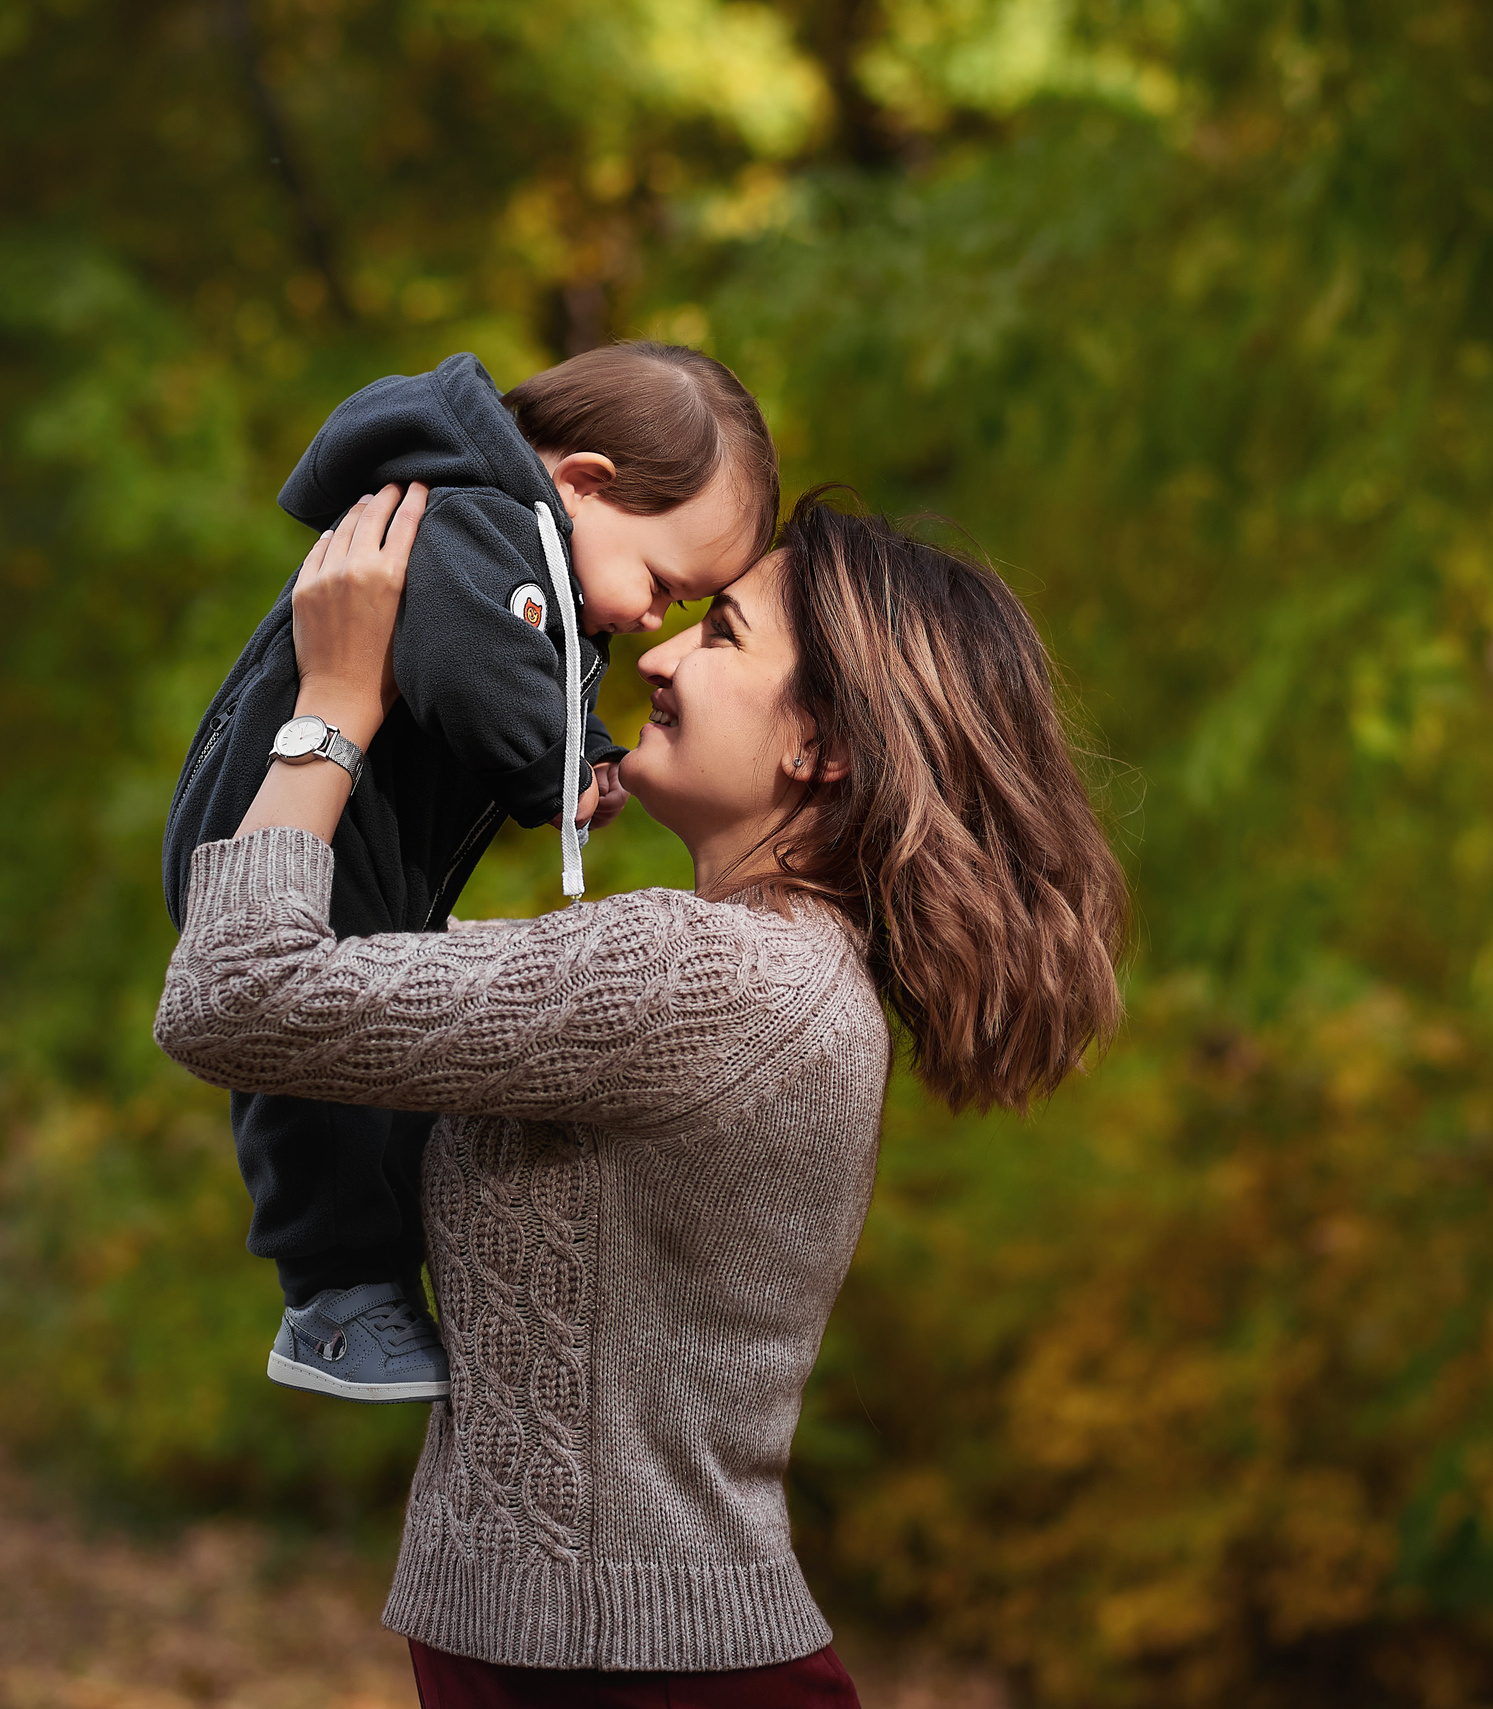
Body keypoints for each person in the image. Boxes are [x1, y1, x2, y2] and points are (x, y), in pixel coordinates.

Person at [155, 482, 1128, 1702]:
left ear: (818, 745)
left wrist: (334, 703)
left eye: (720, 631)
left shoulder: (702, 974)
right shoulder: (751, 970)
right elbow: (331, 991)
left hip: (636, 1674)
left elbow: (233, 993)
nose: (658, 650)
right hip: (596, 1655)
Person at [161, 345, 779, 1406]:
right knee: (314, 1076)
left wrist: (576, 747)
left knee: (360, 1060)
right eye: (663, 585)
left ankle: (356, 1287)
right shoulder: (475, 528)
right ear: (581, 483)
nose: (649, 623)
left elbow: (499, 665)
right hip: (293, 830)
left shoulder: (511, 543)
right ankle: (337, 1295)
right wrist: (558, 765)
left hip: (347, 830)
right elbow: (472, 668)